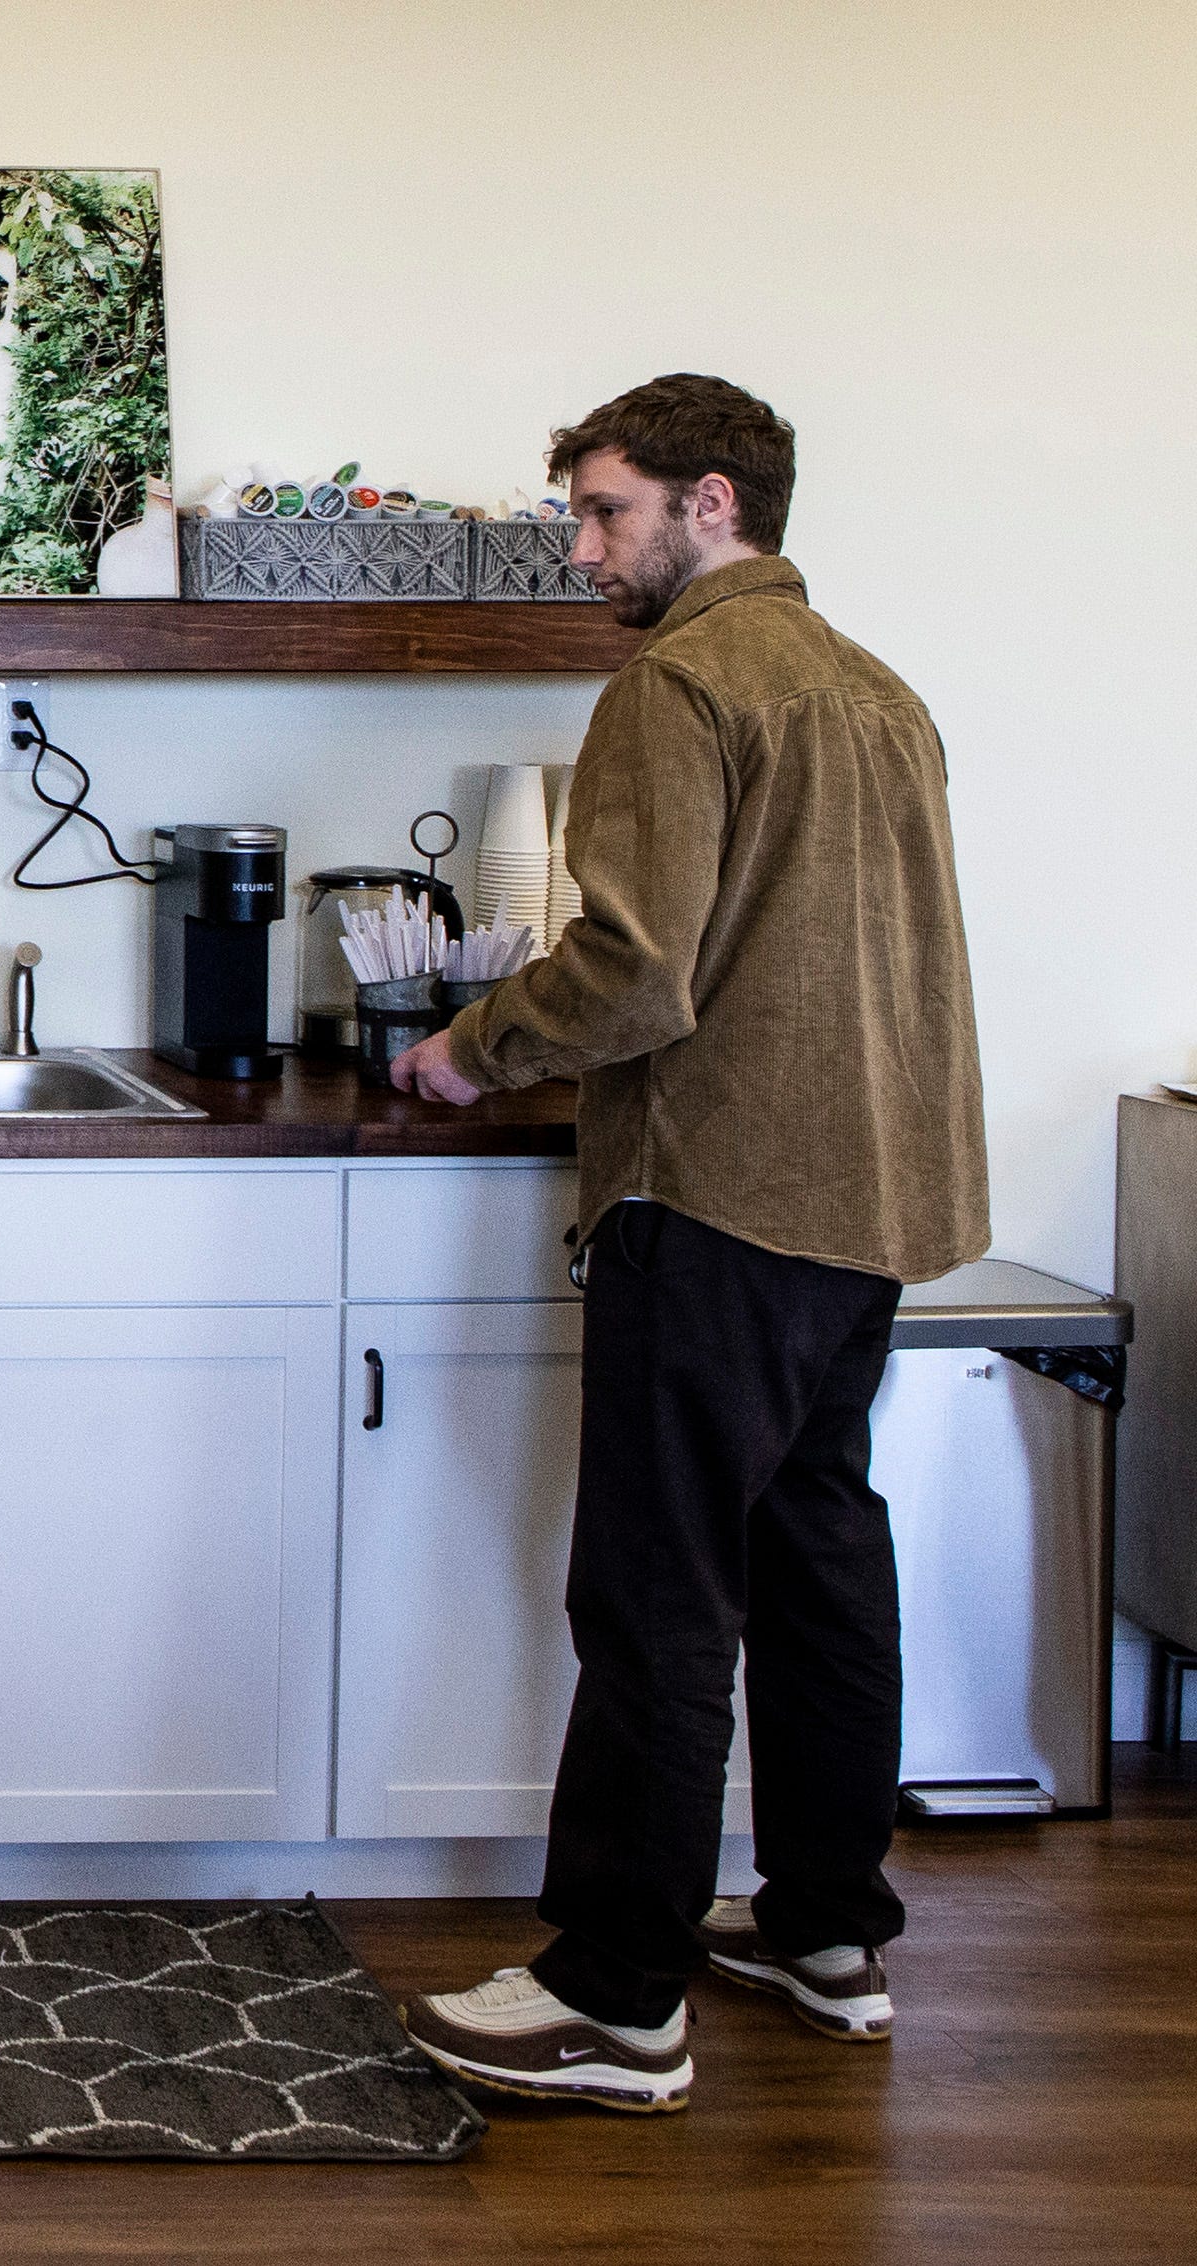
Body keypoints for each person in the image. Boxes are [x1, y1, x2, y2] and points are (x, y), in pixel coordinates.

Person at [385, 374, 988, 2113]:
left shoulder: (679, 682)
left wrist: (470, 1041)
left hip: (718, 1197)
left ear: (712, 506)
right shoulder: (880, 693)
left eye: (605, 512)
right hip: (868, 1200)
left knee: (656, 1597)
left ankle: (616, 1995)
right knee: (818, 1561)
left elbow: (637, 970)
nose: (584, 550)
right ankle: (824, 1929)